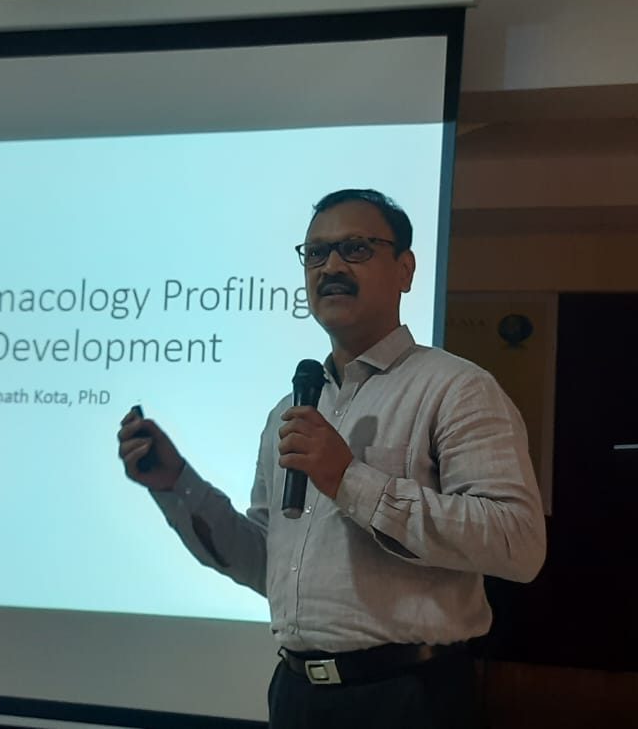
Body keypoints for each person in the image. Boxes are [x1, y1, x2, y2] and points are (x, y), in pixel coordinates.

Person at [116, 188, 546, 729]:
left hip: (408, 697)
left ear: (406, 269)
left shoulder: (456, 389)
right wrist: (176, 483)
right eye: (316, 253)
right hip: (297, 696)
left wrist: (349, 480)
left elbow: (517, 543)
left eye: (356, 248)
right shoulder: (290, 409)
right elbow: (265, 563)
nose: (332, 267)